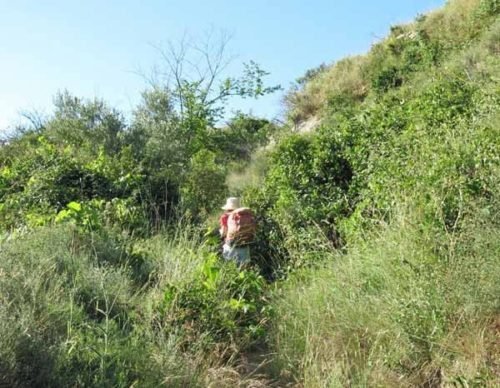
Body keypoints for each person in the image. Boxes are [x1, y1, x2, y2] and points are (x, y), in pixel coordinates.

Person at [219, 197, 254, 267]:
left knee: (229, 267)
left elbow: (224, 232)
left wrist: (221, 234)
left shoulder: (225, 217)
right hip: (244, 244)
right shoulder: (244, 215)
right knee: (245, 269)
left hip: (230, 245)